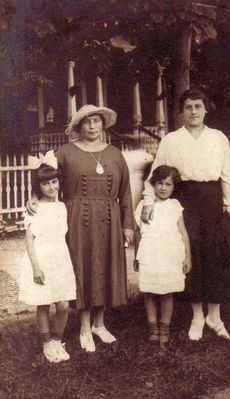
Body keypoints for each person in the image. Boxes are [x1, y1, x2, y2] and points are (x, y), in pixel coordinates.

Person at [27, 105, 134, 352]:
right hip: (77, 219)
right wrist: (34, 196)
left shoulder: (115, 154)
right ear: (78, 126)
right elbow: (45, 177)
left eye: (97, 121)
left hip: (109, 217)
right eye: (87, 122)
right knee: (83, 268)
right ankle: (84, 327)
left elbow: (125, 191)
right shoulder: (65, 152)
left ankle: (99, 324)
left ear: (103, 124)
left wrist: (128, 225)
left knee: (104, 268)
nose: (92, 126)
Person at [141, 88, 230, 341]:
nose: (193, 111)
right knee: (190, 252)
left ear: (206, 109)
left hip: (212, 198)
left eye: (198, 106)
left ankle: (214, 316)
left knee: (214, 253)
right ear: (181, 112)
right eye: (188, 107)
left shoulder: (218, 138)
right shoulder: (171, 140)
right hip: (185, 199)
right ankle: (197, 315)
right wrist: (149, 200)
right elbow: (156, 173)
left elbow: (227, 174)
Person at [19, 152, 76, 362]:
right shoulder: (34, 209)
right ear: (38, 187)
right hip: (41, 258)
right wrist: (35, 267)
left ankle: (57, 341)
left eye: (54, 182)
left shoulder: (61, 207)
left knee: (63, 304)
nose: (52, 187)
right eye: (46, 184)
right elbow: (29, 240)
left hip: (60, 259)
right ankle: (46, 344)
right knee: (43, 303)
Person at [134, 165, 192, 347]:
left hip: (170, 254)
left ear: (174, 187)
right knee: (149, 291)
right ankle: (153, 328)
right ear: (153, 184)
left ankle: (165, 328)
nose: (164, 188)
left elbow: (183, 233)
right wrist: (137, 255)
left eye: (168, 184)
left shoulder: (175, 206)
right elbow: (138, 232)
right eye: (160, 183)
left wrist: (187, 257)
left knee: (167, 292)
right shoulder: (144, 205)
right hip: (150, 252)